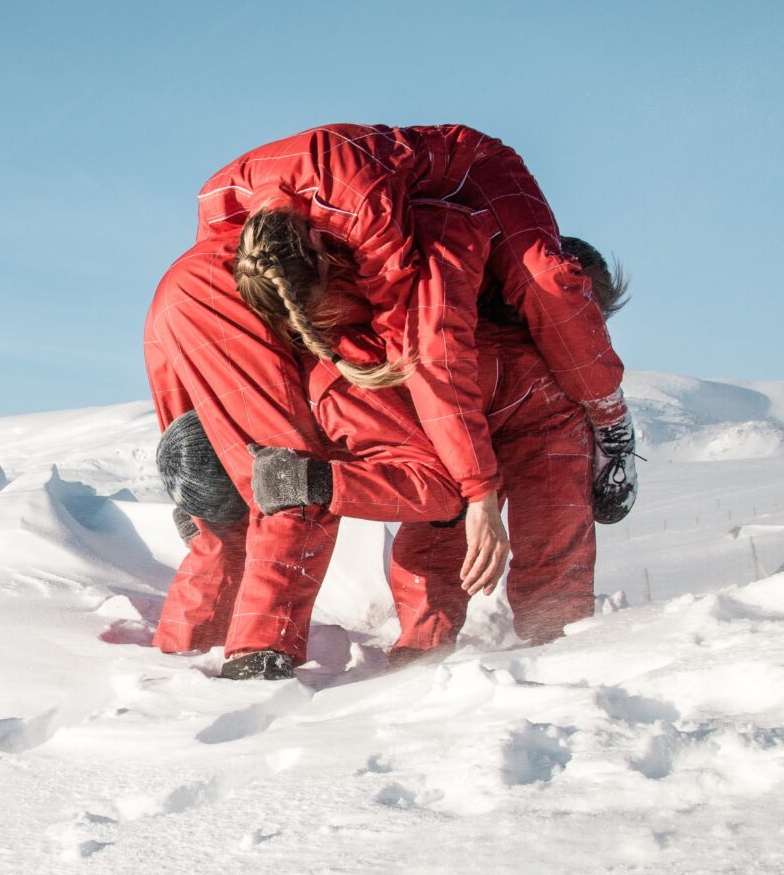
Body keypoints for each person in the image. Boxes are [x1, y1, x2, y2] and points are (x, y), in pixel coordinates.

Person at [199, 125, 640, 579]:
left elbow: (427, 348)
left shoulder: (370, 218)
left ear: (323, 252)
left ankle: (610, 416)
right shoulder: (226, 206)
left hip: (476, 179)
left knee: (546, 286)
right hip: (385, 220)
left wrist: (477, 491)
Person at [144, 203, 487, 678]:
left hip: (187, 293)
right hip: (225, 288)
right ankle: (258, 655)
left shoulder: (330, 364)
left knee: (238, 512)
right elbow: (443, 492)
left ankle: (179, 657)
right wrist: (322, 482)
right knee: (286, 486)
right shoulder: (336, 385)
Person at [388, 236, 633, 664]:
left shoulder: (494, 258)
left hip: (465, 377)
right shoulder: (559, 292)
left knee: (448, 515)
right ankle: (557, 633)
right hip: (529, 390)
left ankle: (425, 639)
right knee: (552, 515)